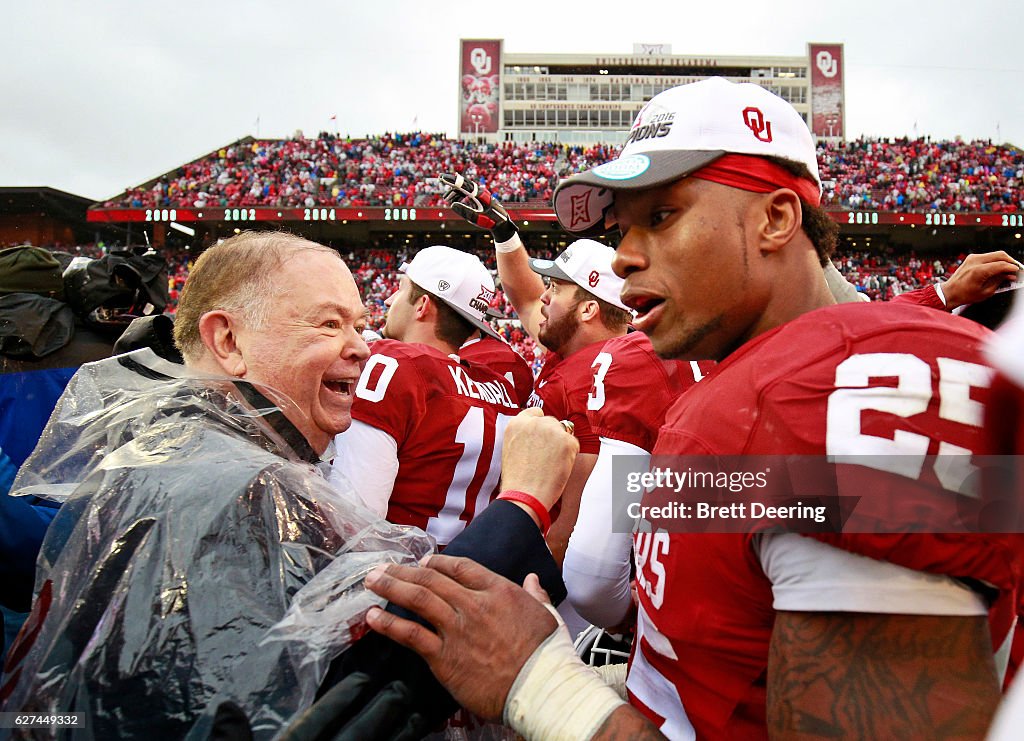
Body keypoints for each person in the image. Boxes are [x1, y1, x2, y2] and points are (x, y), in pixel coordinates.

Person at [366, 77, 1020, 740]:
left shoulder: (844, 392)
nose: (622, 257)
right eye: (622, 227)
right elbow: (707, 572)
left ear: (775, 218)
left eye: (661, 216)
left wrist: (539, 680)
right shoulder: (728, 380)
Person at [1, 231, 575, 739]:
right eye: (328, 324)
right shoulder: (231, 484)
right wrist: (523, 502)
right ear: (228, 342)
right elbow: (371, 672)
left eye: (358, 323)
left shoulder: (188, 449)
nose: (363, 346)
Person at [442, 174, 634, 569]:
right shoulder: (578, 348)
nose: (544, 295)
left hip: (558, 573)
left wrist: (519, 580)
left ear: (588, 309)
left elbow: (578, 519)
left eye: (557, 288)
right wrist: (505, 234)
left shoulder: (602, 379)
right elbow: (526, 297)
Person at [330, 246, 520, 546]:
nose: (389, 299)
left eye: (401, 289)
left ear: (422, 305)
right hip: (468, 568)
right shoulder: (500, 388)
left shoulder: (394, 362)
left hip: (396, 569)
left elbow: (354, 516)